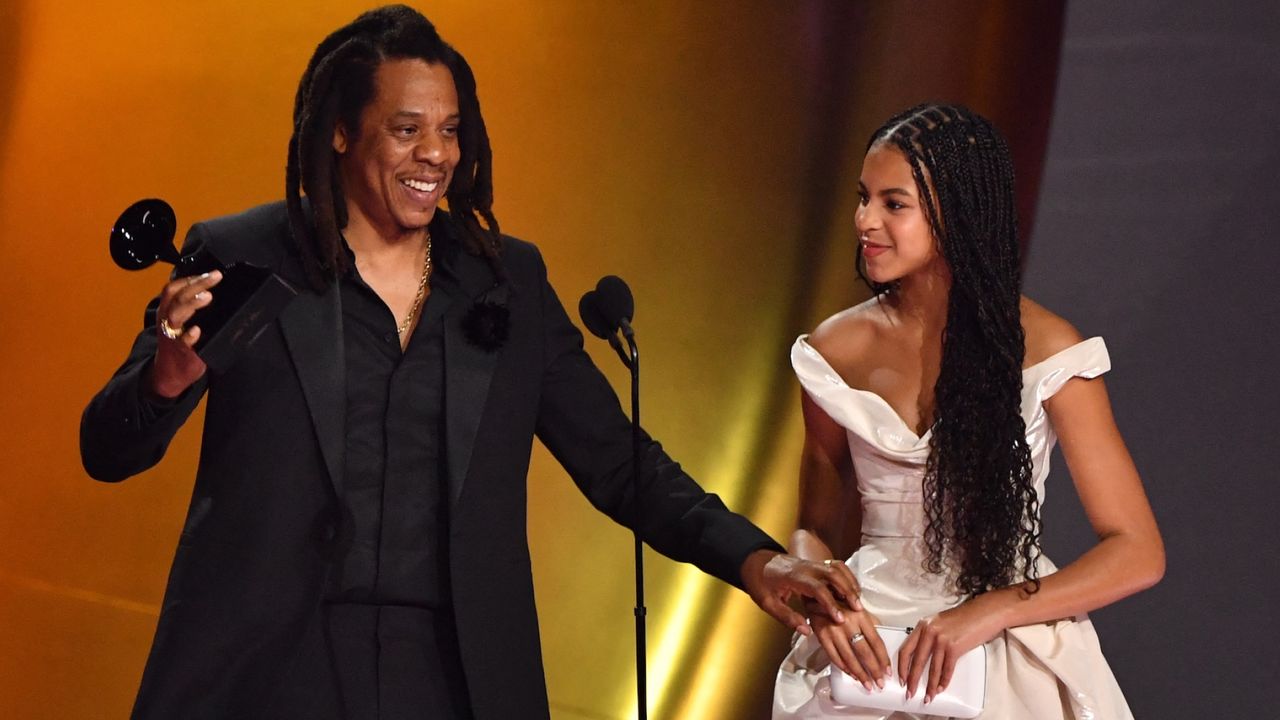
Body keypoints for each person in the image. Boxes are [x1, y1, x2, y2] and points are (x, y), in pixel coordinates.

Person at [80, 6, 857, 719]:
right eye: (408, 128)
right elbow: (106, 449)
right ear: (342, 131)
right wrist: (166, 378)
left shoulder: (504, 282)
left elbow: (621, 464)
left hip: (453, 678)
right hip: (269, 674)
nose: (435, 154)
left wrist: (755, 561)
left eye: (451, 131)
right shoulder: (242, 255)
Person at [771, 104, 1165, 719]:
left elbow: (1137, 550)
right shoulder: (834, 349)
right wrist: (825, 599)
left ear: (956, 213)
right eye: (863, 198)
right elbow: (813, 526)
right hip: (870, 654)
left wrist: (993, 609)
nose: (864, 221)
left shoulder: (1049, 348)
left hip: (1005, 650)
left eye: (893, 204)